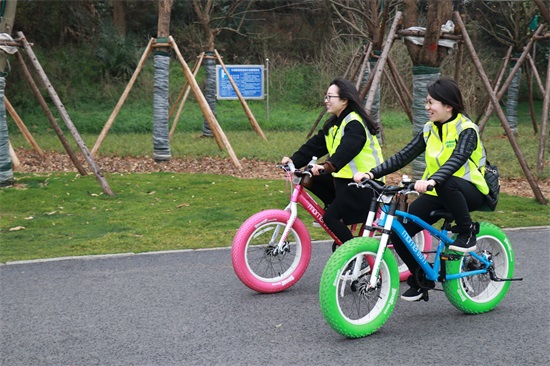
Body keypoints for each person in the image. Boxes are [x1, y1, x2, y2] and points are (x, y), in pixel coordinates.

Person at [354, 77, 489, 302]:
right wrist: (371, 173)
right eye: (426, 102)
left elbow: (457, 159)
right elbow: (403, 155)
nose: (427, 107)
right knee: (399, 232)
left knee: (448, 181)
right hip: (439, 192)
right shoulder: (429, 130)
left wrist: (433, 180)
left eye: (431, 103)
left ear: (449, 105)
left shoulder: (467, 130)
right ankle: (421, 275)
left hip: (470, 192)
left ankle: (467, 232)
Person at [281, 77, 384, 246]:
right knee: (308, 177)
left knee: (330, 218)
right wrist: (293, 160)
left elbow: (347, 150)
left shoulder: (355, 124)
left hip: (367, 184)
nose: (326, 101)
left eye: (330, 97)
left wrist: (327, 166)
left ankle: (355, 254)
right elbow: (314, 146)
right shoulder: (334, 124)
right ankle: (335, 207)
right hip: (346, 181)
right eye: (326, 96)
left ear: (344, 100)